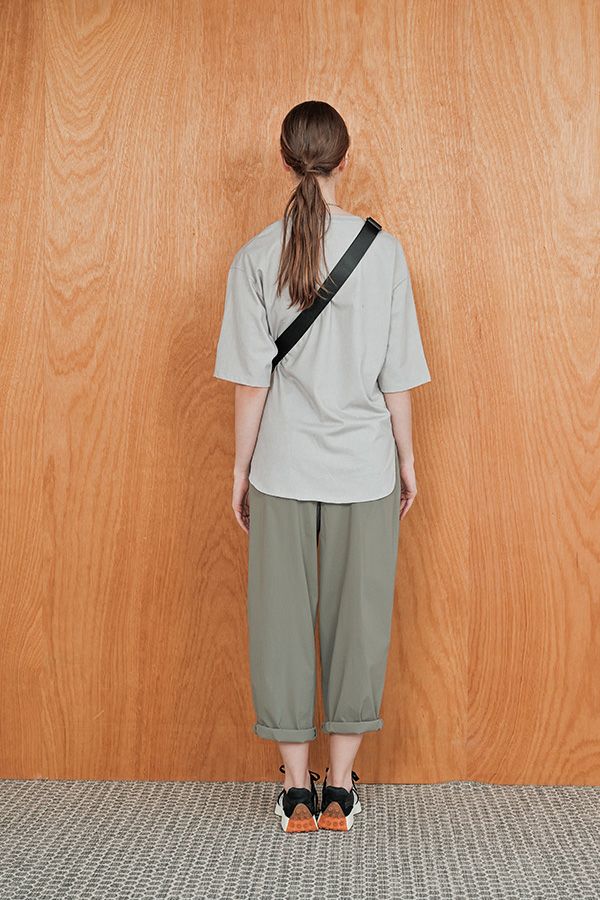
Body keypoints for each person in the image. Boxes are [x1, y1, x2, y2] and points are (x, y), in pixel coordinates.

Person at [213, 100, 431, 833]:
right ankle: (339, 790)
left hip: (282, 466)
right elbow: (397, 376)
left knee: (279, 622)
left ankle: (294, 791)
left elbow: (252, 383)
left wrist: (240, 470)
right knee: (357, 622)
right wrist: (407, 458)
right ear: (345, 158)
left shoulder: (254, 256)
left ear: (284, 160)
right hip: (363, 469)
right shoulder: (384, 253)